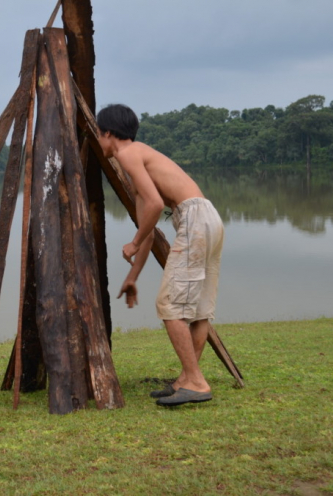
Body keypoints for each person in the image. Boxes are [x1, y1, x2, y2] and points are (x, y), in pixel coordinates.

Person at [96, 104, 224, 407]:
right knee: (199, 309)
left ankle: (195, 382)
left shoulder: (128, 153)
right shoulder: (140, 162)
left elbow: (154, 207)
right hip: (208, 218)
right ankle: (186, 379)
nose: (99, 142)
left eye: (99, 135)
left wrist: (132, 242)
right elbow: (150, 228)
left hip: (193, 220)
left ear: (109, 133)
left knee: (169, 305)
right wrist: (132, 277)